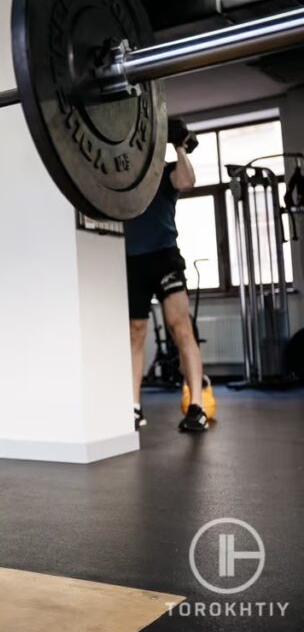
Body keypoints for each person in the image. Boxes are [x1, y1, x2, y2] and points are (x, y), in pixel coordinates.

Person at [125, 126, 215, 432]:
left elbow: (188, 181)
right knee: (135, 333)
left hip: (164, 258)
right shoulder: (123, 180)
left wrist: (179, 146)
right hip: (130, 262)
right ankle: (133, 407)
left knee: (181, 328)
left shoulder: (165, 174)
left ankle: (196, 407)